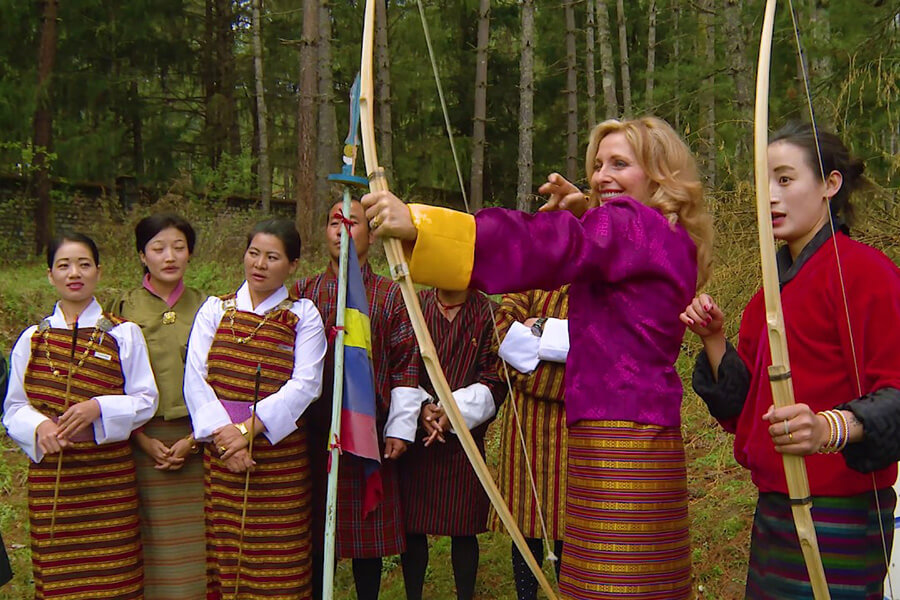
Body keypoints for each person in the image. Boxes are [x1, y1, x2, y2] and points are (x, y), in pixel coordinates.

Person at [362, 116, 714, 600]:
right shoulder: (671, 234)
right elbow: (609, 252)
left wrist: (423, 227)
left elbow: (548, 245)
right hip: (650, 437)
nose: (600, 175)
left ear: (658, 172)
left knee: (610, 587)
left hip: (616, 443)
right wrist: (589, 210)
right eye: (596, 165)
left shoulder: (626, 225)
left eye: (619, 164)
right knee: (650, 583)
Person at [683, 122, 900, 599]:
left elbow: (897, 392)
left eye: (785, 179)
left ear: (829, 184)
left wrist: (829, 428)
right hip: (778, 513)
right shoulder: (767, 295)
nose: (771, 197)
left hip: (846, 513)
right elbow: (747, 413)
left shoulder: (867, 274)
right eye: (764, 183)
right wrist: (715, 341)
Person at [3, 233, 158, 599]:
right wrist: (39, 425)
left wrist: (99, 407)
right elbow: (13, 406)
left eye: (84, 264)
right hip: (54, 480)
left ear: (99, 272)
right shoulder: (32, 339)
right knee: (59, 581)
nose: (75, 273)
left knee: (115, 577)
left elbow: (146, 399)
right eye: (64, 265)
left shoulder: (124, 334)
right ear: (50, 275)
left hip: (109, 480)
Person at [183, 218, 326, 600]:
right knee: (229, 555)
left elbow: (306, 384)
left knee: (280, 559)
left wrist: (248, 430)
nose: (259, 265)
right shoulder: (216, 309)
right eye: (253, 254)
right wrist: (225, 438)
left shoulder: (303, 316)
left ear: (293, 265)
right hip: (222, 454)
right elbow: (195, 378)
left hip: (278, 459)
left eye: (272, 257)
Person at [292, 199, 421, 600]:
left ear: (371, 232)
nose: (341, 230)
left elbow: (406, 364)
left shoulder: (388, 295)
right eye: (334, 222)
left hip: (368, 434)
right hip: (311, 436)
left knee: (367, 539)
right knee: (314, 534)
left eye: (352, 222)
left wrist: (400, 427)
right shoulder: (303, 292)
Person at [106, 213, 207, 599]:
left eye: (179, 248)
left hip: (196, 440)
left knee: (198, 540)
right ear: (141, 255)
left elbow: (219, 377)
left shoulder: (209, 307)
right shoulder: (121, 308)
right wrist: (140, 439)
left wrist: (196, 438)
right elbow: (111, 379)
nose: (170, 257)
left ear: (190, 253)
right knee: (148, 538)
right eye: (158, 248)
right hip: (143, 443)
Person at [399, 287, 505, 600]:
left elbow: (495, 377)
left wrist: (452, 410)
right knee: (412, 525)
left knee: (464, 526)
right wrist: (421, 407)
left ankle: (465, 595)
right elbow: (402, 360)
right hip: (419, 431)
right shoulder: (413, 304)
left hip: (464, 437)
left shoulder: (489, 313)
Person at [491, 286, 570, 600]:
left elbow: (595, 345)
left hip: (573, 427)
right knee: (526, 524)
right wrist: (563, 349)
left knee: (571, 525)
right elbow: (501, 330)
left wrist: (537, 327)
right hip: (525, 425)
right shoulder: (533, 279)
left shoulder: (596, 280)